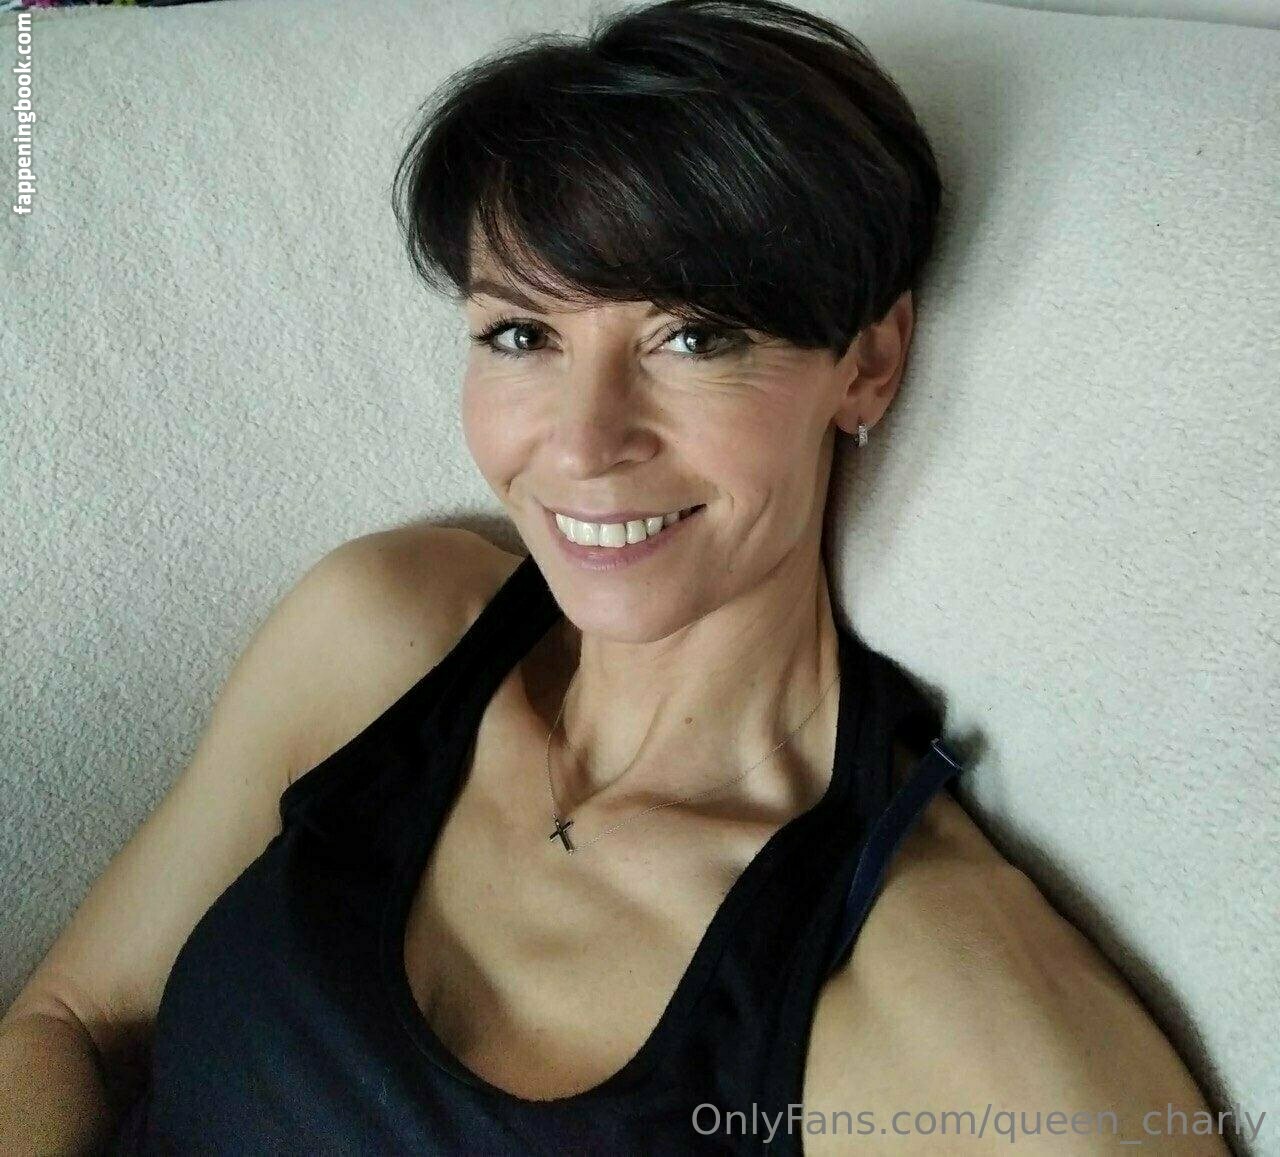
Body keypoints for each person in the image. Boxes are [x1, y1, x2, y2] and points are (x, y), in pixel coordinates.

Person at [1, 0, 1225, 1153]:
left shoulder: (919, 987)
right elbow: (69, 1018)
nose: (583, 445)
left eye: (691, 336)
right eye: (521, 334)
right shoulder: (386, 632)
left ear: (867, 363)